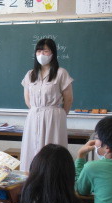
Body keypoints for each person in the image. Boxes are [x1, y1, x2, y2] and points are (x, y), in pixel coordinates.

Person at [20, 38, 73, 171]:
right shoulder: (30, 74)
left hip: (53, 116)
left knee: (52, 151)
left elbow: (68, 99)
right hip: (34, 115)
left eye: (45, 51)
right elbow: (27, 99)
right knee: (32, 149)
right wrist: (37, 110)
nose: (41, 54)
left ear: (52, 53)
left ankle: (53, 183)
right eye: (38, 51)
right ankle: (30, 183)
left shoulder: (61, 73)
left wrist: (59, 115)